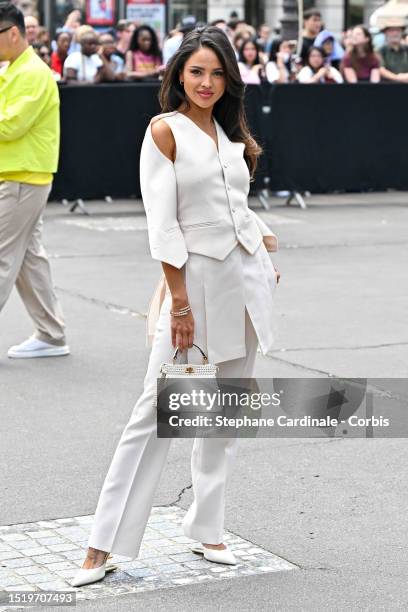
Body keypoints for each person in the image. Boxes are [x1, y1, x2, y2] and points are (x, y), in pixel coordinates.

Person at [71, 24, 280, 588]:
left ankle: (207, 528)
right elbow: (163, 227)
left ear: (229, 79)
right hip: (195, 289)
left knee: (226, 412)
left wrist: (262, 242)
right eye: (196, 72)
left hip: (246, 286)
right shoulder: (164, 131)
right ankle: (102, 543)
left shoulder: (230, 133)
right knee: (153, 414)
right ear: (178, 75)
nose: (207, 82)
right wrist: (179, 305)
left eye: (217, 73)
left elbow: (235, 204)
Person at [0, 2, 69, 358]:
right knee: (27, 258)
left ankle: (51, 333)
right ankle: (52, 333)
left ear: (13, 33)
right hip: (20, 175)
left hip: (21, 176)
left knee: (5, 257)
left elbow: (10, 125)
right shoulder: (15, 68)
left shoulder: (31, 73)